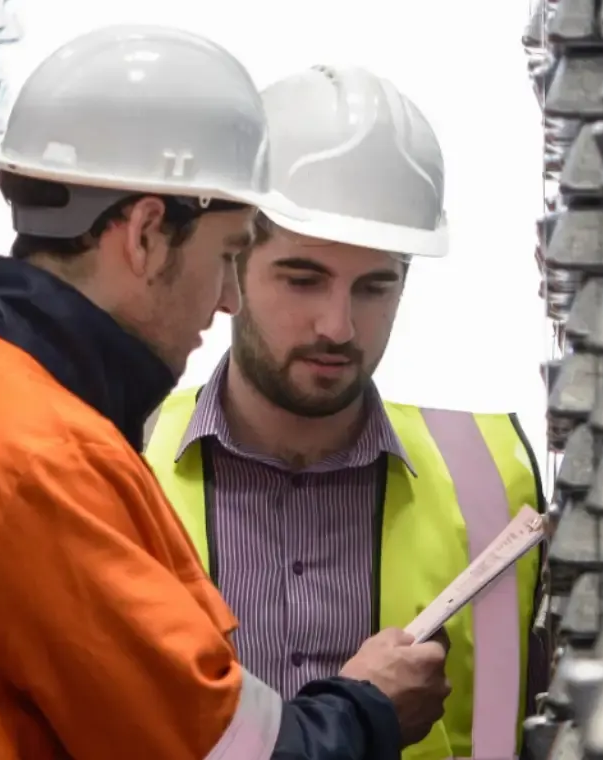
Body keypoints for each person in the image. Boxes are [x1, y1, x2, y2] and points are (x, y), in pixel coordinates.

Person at [0, 26, 452, 760]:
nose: (228, 298)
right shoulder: (34, 456)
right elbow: (220, 750)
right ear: (147, 235)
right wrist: (369, 709)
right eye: (229, 256)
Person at [134, 66, 548, 760]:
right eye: (303, 279)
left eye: (374, 287)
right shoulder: (118, 456)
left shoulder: (497, 478)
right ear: (233, 264)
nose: (339, 326)